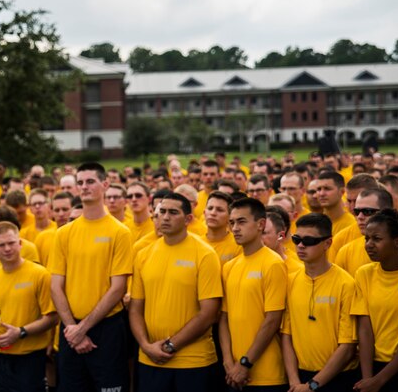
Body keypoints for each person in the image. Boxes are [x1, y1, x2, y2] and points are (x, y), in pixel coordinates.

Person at [48, 162, 133, 392]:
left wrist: (82, 329)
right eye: (81, 182)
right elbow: (55, 286)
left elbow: (118, 288)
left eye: (90, 181)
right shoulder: (64, 233)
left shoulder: (119, 232)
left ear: (105, 184)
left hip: (107, 330)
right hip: (70, 328)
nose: (84, 187)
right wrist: (72, 328)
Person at [130, 192, 222, 391]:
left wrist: (171, 346)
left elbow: (208, 313)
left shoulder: (205, 255)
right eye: (161, 212)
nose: (165, 217)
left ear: (188, 219)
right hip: (150, 359)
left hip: (193, 362)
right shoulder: (143, 255)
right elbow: (136, 308)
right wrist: (146, 346)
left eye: (173, 212)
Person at [350, 209, 398, 391]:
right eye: (366, 239)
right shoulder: (364, 274)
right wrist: (368, 378)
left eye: (376, 239)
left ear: (397, 241)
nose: (369, 244)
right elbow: (364, 328)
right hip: (372, 368)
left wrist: (379, 381)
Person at [280, 213, 358, 392]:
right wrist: (294, 381)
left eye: (308, 240)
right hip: (299, 378)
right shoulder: (290, 281)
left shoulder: (346, 284)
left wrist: (312, 385)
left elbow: (347, 346)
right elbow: (286, 335)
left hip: (338, 377)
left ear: (327, 243)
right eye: (296, 239)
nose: (300, 245)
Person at [0, 222, 58, 392]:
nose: (7, 248)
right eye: (1, 245)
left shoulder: (40, 274)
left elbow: (52, 317)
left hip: (29, 359)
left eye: (11, 243)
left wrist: (20, 332)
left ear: (20, 243)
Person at [219, 198, 287, 391]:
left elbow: (273, 320)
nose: (235, 228)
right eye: (232, 223)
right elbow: (224, 317)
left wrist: (245, 363)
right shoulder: (230, 266)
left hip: (267, 374)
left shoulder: (273, 263)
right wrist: (227, 361)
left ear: (261, 224)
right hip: (233, 371)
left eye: (241, 222)